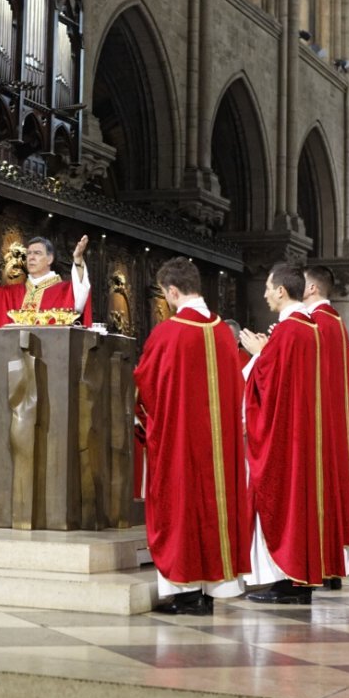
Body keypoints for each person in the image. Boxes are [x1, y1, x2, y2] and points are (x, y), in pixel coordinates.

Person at [133, 257, 251, 615]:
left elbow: (147, 387)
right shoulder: (222, 333)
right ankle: (217, 586)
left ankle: (186, 593)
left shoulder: (169, 332)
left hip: (181, 443)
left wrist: (144, 419)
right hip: (220, 446)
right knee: (216, 504)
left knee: (181, 505)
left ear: (172, 291)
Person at [240, 262, 345, 603]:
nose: (265, 293)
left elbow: (271, 386)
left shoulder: (290, 331)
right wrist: (267, 352)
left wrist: (259, 355)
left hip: (287, 437)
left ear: (282, 291)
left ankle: (289, 581)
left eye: (269, 288)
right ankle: (296, 580)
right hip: (304, 434)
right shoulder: (310, 327)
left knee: (284, 503)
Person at [303, 265, 349, 557]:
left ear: (312, 288)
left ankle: (321, 560)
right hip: (331, 419)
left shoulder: (315, 322)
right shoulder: (333, 320)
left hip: (316, 420)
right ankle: (330, 561)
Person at [0, 236, 91, 328]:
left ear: (50, 259)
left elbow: (80, 294)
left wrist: (78, 259)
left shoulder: (64, 291)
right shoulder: (13, 292)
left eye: (37, 253)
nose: (31, 257)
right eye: (28, 253)